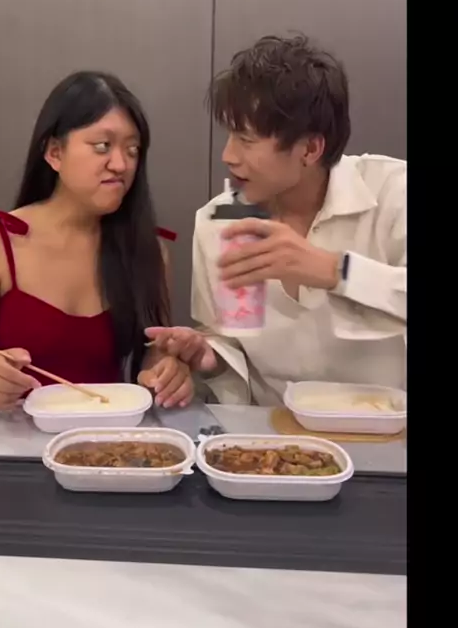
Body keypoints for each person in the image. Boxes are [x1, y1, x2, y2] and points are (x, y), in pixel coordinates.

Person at [147, 34, 407, 405]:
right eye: (229, 135)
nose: (227, 155)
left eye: (246, 139)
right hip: (270, 432)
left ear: (310, 148)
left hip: (384, 429)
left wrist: (335, 270)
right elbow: (227, 339)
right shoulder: (218, 223)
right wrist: (207, 355)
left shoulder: (393, 194)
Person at [0, 71, 212, 411]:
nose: (120, 164)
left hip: (106, 437)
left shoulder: (148, 251)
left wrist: (166, 373)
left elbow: (153, 357)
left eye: (132, 150)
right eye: (102, 146)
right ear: (54, 152)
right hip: (7, 437)